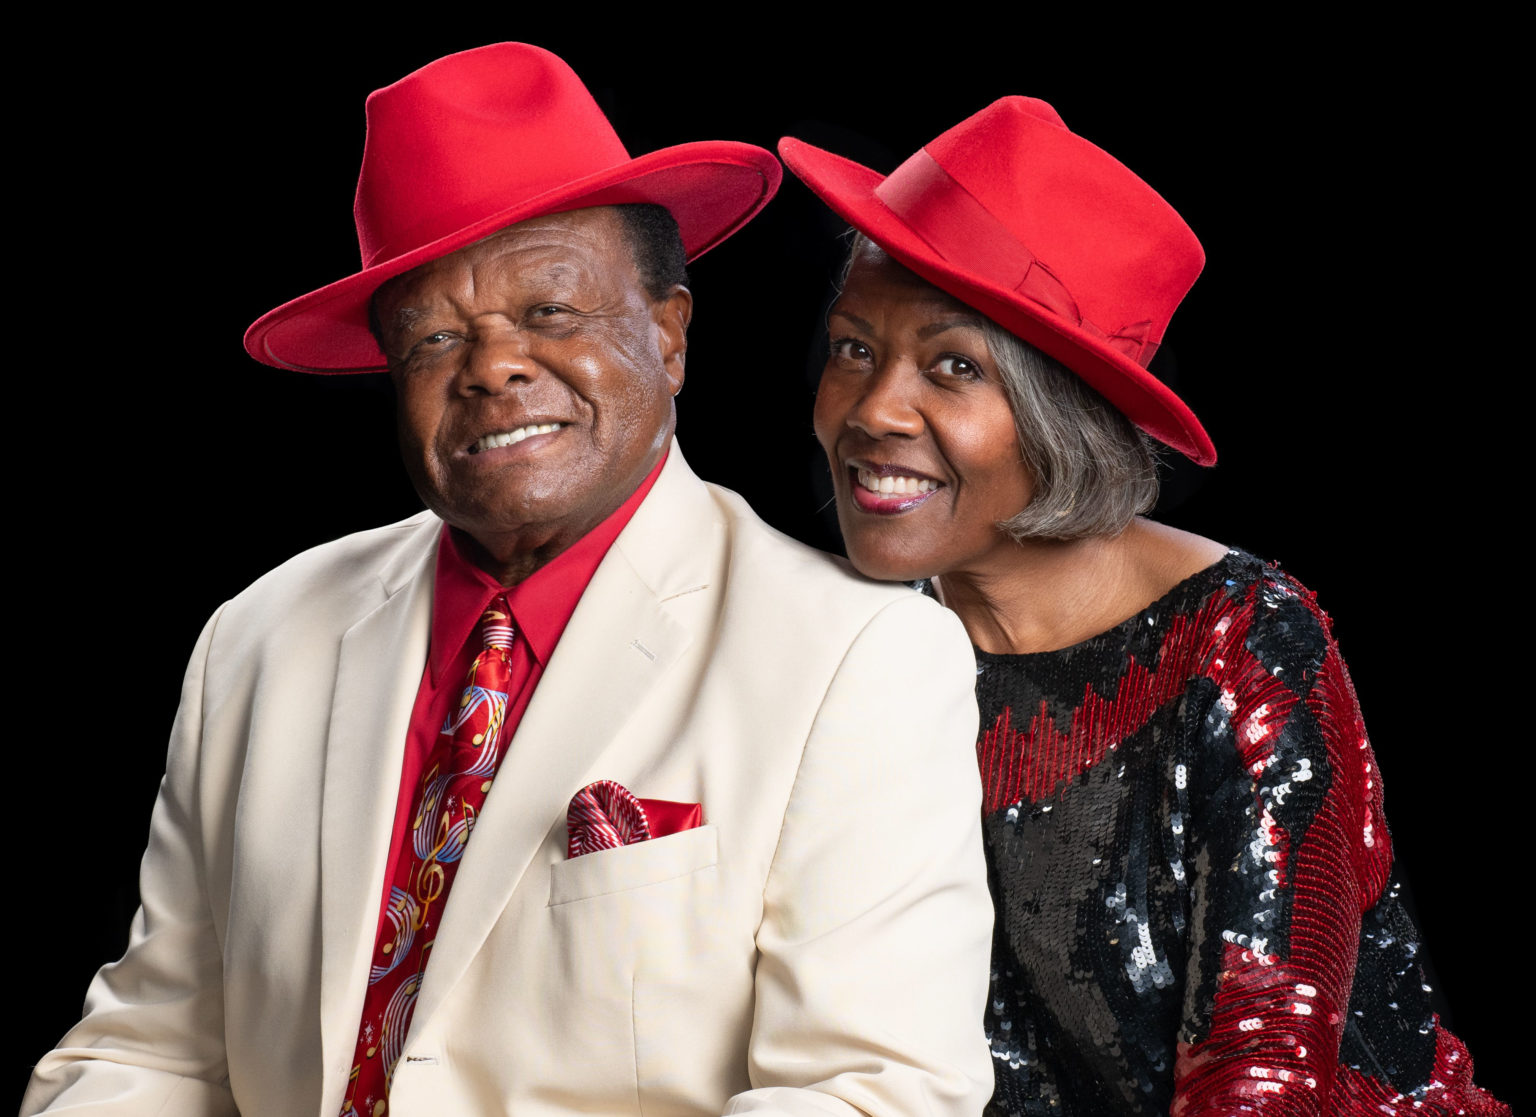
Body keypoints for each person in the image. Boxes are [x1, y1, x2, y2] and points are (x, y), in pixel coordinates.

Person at [22, 44, 997, 1117]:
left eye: (550, 313)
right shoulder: (259, 637)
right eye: (436, 337)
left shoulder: (857, 655)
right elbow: (150, 1051)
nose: (490, 367)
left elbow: (872, 1091)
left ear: (669, 336)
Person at [778, 98, 1510, 1116]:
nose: (871, 410)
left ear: (1064, 414)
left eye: (954, 367)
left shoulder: (1239, 642)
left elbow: (1264, 1072)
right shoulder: (851, 639)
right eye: (854, 348)